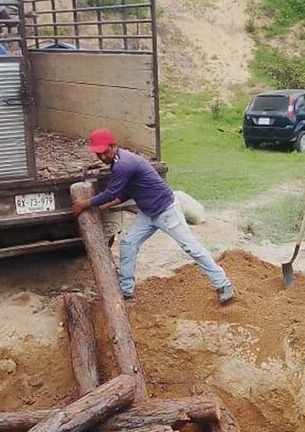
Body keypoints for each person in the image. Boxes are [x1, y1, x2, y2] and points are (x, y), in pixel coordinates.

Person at [72, 128, 235, 305]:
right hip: (148, 213)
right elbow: (124, 193)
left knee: (191, 247)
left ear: (114, 146)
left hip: (166, 211)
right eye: (98, 154)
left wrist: (84, 204)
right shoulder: (117, 162)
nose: (102, 157)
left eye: (104, 152)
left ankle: (223, 284)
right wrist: (103, 207)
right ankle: (125, 291)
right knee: (128, 244)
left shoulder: (124, 164)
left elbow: (111, 192)